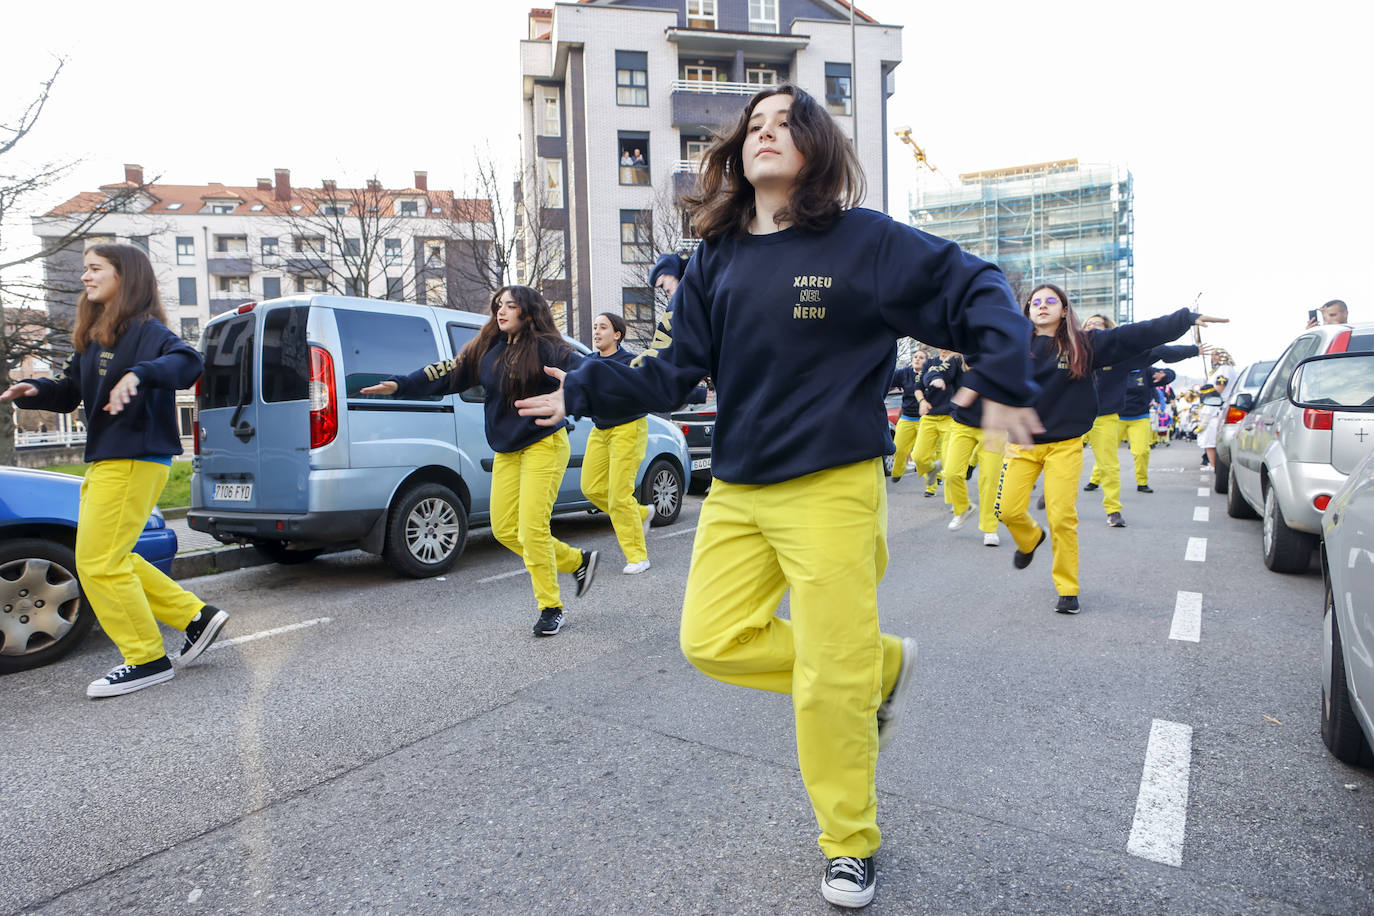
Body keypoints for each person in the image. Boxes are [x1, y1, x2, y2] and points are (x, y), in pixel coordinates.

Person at [514, 83, 1041, 908]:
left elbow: (975, 286)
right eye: (753, 124)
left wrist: (1006, 370)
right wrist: (585, 389)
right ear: (737, 151)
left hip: (832, 486)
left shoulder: (864, 243)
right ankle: (878, 667)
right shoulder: (715, 258)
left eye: (785, 122)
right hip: (739, 488)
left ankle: (849, 840)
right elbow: (671, 369)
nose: (765, 133)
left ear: (816, 146)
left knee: (830, 683)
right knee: (710, 641)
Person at [0, 243, 227, 698]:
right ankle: (195, 617)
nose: (85, 277)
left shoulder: (147, 330)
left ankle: (146, 658)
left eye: (95, 268)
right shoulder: (95, 333)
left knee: (97, 563)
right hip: (108, 460)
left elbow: (188, 362)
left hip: (134, 459)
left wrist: (139, 374)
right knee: (113, 557)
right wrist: (33, 390)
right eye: (85, 269)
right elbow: (67, 392)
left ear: (125, 276)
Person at [361, 286, 599, 637]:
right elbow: (446, 373)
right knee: (505, 530)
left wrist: (573, 390)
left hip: (544, 445)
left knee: (532, 530)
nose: (501, 311)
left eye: (511, 306)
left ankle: (551, 607)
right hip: (506, 450)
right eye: (498, 305)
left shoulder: (551, 349)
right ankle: (577, 561)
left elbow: (588, 372)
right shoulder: (487, 350)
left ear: (528, 312)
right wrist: (400, 384)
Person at [995, 283, 1225, 614]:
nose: (1042, 306)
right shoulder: (1014, 344)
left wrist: (1184, 319)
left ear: (1064, 310)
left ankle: (1067, 587)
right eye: (1035, 302)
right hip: (1021, 445)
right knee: (1006, 511)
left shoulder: (1084, 344)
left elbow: (1137, 336)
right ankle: (1030, 538)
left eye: (1051, 301)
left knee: (1062, 517)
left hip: (1064, 446)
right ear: (1028, 310)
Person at [584, 312, 654, 574]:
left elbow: (653, 384)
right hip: (601, 429)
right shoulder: (589, 361)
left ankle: (638, 556)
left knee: (618, 496)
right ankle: (641, 514)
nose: (597, 331)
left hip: (629, 427)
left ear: (617, 335)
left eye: (603, 327)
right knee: (591, 487)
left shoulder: (630, 361)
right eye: (595, 326)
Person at [944, 360, 1006, 545]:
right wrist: (935, 378)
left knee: (990, 479)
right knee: (951, 473)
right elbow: (940, 372)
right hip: (962, 425)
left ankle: (990, 528)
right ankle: (963, 508)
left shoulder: (1001, 356)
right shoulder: (957, 359)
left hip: (994, 427)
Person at [911, 348, 962, 499]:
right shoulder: (930, 363)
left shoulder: (958, 361)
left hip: (949, 418)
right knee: (918, 457)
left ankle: (954, 499)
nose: (944, 347)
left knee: (949, 462)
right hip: (929, 416)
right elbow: (918, 387)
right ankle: (932, 469)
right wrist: (922, 402)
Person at [886, 348, 927, 483]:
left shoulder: (931, 374)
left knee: (922, 454)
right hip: (907, 417)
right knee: (898, 449)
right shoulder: (905, 373)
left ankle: (932, 481)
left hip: (925, 419)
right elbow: (887, 380)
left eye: (921, 357)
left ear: (926, 362)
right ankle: (897, 473)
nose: (917, 359)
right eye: (915, 356)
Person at [1196, 348, 1235, 472]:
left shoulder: (1224, 369)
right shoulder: (1222, 370)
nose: (1214, 357)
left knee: (1210, 439)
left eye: (1216, 355)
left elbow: (1219, 388)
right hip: (1216, 407)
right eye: (1212, 355)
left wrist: (1203, 394)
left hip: (1216, 407)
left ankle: (1213, 465)